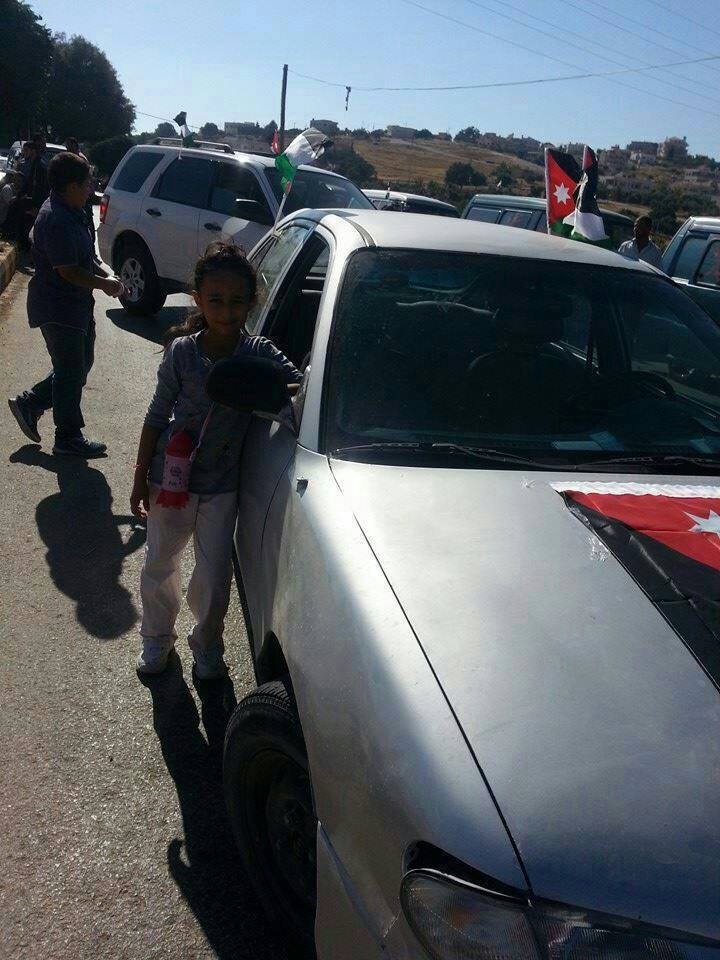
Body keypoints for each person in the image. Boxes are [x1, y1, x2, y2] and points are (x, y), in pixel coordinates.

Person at [130, 243, 302, 679]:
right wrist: (139, 477)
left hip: (222, 486)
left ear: (252, 302)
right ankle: (156, 639)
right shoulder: (182, 352)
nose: (226, 312)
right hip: (170, 480)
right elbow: (156, 415)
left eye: (237, 301)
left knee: (213, 574)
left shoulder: (259, 352)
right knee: (159, 563)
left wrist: (268, 392)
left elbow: (300, 389)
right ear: (198, 300)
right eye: (216, 300)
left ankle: (207, 645)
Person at [8, 152, 124, 457]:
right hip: (58, 308)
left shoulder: (73, 210)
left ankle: (31, 402)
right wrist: (105, 284)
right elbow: (69, 271)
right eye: (87, 183)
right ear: (71, 186)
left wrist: (107, 275)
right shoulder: (57, 219)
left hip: (76, 306)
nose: (91, 188)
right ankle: (67, 437)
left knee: (78, 367)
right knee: (70, 370)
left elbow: (84, 258)